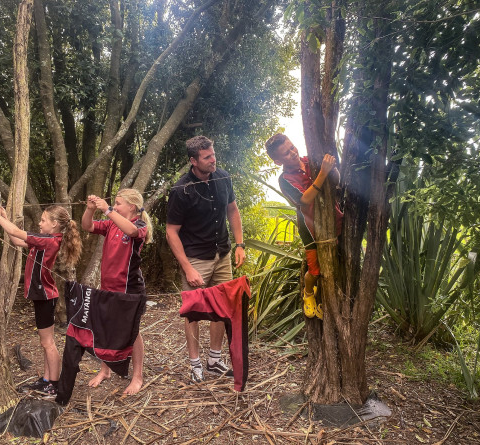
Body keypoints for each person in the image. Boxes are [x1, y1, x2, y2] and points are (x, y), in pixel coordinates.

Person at [166, 135, 246, 383]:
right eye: (207, 157)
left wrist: (240, 244)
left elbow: (232, 209)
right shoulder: (181, 189)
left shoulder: (222, 176)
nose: (213, 160)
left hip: (222, 253)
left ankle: (214, 359)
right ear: (193, 160)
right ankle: (195, 364)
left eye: (213, 154)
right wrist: (187, 268)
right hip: (195, 258)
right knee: (193, 312)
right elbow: (171, 231)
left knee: (223, 307)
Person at [0, 204, 82, 396]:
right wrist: (5, 217)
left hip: (45, 297)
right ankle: (47, 380)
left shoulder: (48, 240)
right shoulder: (45, 240)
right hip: (42, 297)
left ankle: (54, 384)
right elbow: (16, 240)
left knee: (48, 343)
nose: (39, 224)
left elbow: (16, 231)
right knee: (45, 342)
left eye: (43, 220)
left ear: (54, 224)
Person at [81, 189, 153, 395]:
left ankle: (137, 376)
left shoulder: (139, 225)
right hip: (108, 286)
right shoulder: (112, 223)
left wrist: (107, 209)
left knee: (133, 331)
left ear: (132, 207)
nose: (115, 206)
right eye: (115, 203)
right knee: (107, 329)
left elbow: (131, 232)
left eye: (119, 203)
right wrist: (90, 209)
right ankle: (106, 370)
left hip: (130, 288)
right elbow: (88, 226)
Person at [265, 133, 343, 319]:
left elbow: (335, 181)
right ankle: (308, 294)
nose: (292, 153)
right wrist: (323, 173)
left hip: (333, 218)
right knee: (315, 269)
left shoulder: (311, 161)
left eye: (292, 147)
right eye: (286, 153)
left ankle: (327, 299)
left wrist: (331, 169)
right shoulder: (284, 180)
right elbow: (304, 199)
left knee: (336, 261)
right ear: (277, 161)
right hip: (310, 226)